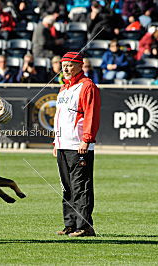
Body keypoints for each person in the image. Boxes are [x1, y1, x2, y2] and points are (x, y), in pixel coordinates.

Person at [53, 52, 101, 237]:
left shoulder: (87, 86)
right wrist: (56, 142)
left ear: (80, 66)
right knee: (66, 187)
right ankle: (70, 224)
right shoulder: (63, 89)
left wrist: (86, 139)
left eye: (70, 65)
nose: (65, 68)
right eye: (63, 65)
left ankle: (85, 226)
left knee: (81, 186)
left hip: (78, 144)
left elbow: (91, 114)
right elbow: (59, 118)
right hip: (63, 144)